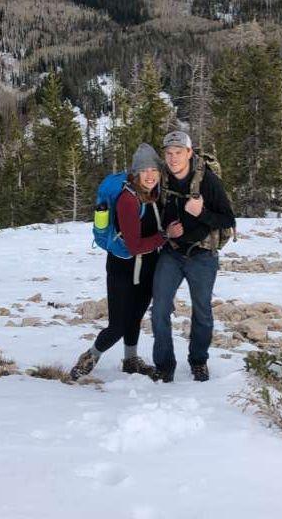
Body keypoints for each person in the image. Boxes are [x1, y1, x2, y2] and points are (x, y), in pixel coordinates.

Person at [69, 143, 166, 380]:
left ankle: (130, 360)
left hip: (148, 267)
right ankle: (90, 357)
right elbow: (134, 246)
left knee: (135, 317)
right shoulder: (127, 200)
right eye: (144, 170)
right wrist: (165, 236)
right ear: (135, 173)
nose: (150, 175)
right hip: (122, 268)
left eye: (154, 170)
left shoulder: (155, 194)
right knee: (118, 325)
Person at [150, 126, 233, 382]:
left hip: (203, 255)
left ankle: (198, 361)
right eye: (168, 153)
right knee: (159, 309)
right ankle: (164, 365)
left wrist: (201, 213)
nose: (173, 158)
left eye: (178, 152)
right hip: (172, 252)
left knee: (202, 311)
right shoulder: (161, 179)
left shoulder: (208, 181)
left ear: (189, 153)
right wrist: (166, 233)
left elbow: (228, 218)